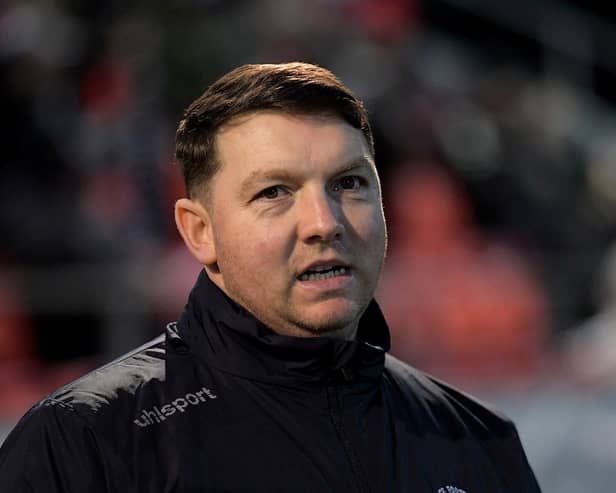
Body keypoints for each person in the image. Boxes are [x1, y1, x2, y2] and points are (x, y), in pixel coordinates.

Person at [0, 62, 541, 492]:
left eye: (349, 183)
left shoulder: (475, 439)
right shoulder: (84, 444)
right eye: (274, 192)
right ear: (199, 231)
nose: (324, 223)